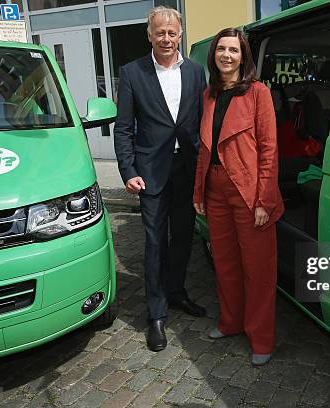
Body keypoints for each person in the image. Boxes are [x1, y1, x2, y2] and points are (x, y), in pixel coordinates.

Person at [114, 6, 207, 352]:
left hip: (188, 169)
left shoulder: (197, 72)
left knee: (184, 237)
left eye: (172, 32)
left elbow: (201, 122)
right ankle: (156, 313)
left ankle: (177, 291)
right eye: (160, 33)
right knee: (155, 243)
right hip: (150, 174)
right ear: (149, 35)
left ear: (180, 35)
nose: (166, 38)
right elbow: (123, 129)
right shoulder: (132, 73)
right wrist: (128, 171)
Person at [193, 28, 284, 366]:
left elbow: (269, 150)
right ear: (214, 56)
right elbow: (204, 148)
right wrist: (198, 191)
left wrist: (265, 199)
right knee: (226, 264)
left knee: (258, 270)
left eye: (233, 50)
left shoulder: (258, 93)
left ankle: (261, 338)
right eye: (221, 50)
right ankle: (230, 323)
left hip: (249, 191)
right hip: (215, 190)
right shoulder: (209, 95)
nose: (226, 55)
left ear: (243, 56)